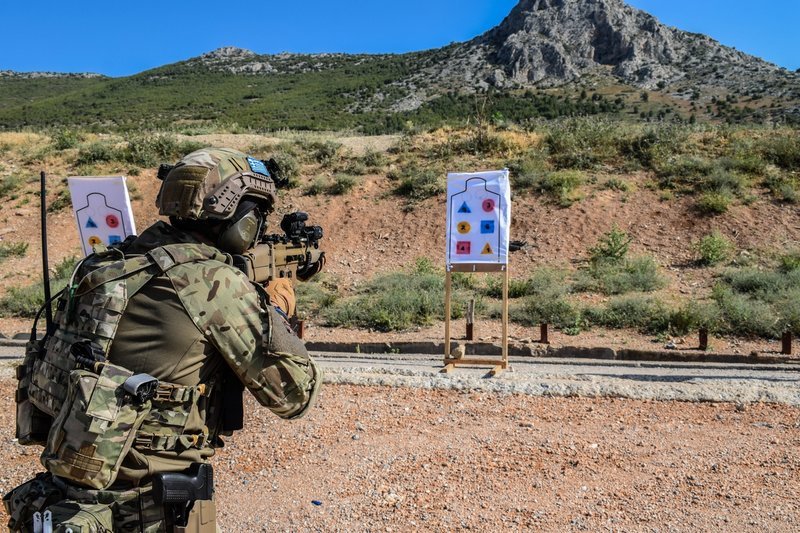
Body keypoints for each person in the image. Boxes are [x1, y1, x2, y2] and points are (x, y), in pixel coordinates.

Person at [5, 148, 321, 532]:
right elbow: (293, 395)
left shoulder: (108, 264)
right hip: (151, 511)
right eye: (257, 214)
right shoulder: (213, 283)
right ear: (239, 217)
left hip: (67, 497)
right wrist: (277, 307)